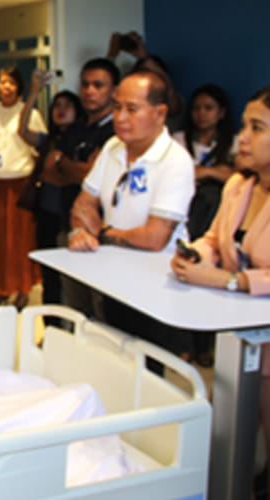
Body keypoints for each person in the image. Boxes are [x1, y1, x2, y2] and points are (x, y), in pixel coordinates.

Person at [169, 86, 270, 484]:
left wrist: (231, 281)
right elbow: (214, 240)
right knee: (222, 434)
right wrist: (193, 256)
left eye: (257, 128)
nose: (242, 137)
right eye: (243, 126)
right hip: (239, 337)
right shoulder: (239, 187)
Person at [69, 71, 195, 358]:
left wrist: (102, 233)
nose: (121, 118)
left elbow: (154, 238)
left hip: (156, 284)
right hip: (113, 275)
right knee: (115, 359)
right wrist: (80, 231)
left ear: (160, 113)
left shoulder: (175, 161)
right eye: (117, 107)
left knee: (148, 368)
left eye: (132, 109)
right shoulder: (113, 148)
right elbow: (83, 203)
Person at [44, 57, 120, 318]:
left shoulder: (116, 132)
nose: (89, 91)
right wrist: (76, 169)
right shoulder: (75, 128)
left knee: (103, 306)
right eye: (85, 84)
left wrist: (64, 164)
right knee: (76, 305)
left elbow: (89, 175)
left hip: (101, 232)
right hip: (69, 223)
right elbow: (50, 172)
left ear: (114, 90)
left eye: (98, 85)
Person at [0, 66, 46, 310]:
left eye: (12, 83)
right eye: (2, 82)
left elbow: (39, 149)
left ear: (19, 87)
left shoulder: (30, 113)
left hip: (19, 183)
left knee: (19, 240)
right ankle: (0, 289)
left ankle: (22, 290)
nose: (6, 87)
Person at [17, 69, 85, 309]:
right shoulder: (49, 141)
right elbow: (22, 131)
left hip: (70, 217)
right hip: (46, 214)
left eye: (68, 106)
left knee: (72, 278)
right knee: (49, 275)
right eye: (57, 105)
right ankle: (51, 323)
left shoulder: (83, 142)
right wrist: (35, 92)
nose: (61, 110)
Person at [173, 84, 237, 240]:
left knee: (210, 194)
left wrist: (208, 172)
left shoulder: (235, 143)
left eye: (208, 108)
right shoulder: (178, 140)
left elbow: (240, 177)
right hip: (182, 198)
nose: (201, 113)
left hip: (215, 204)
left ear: (221, 113)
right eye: (196, 108)